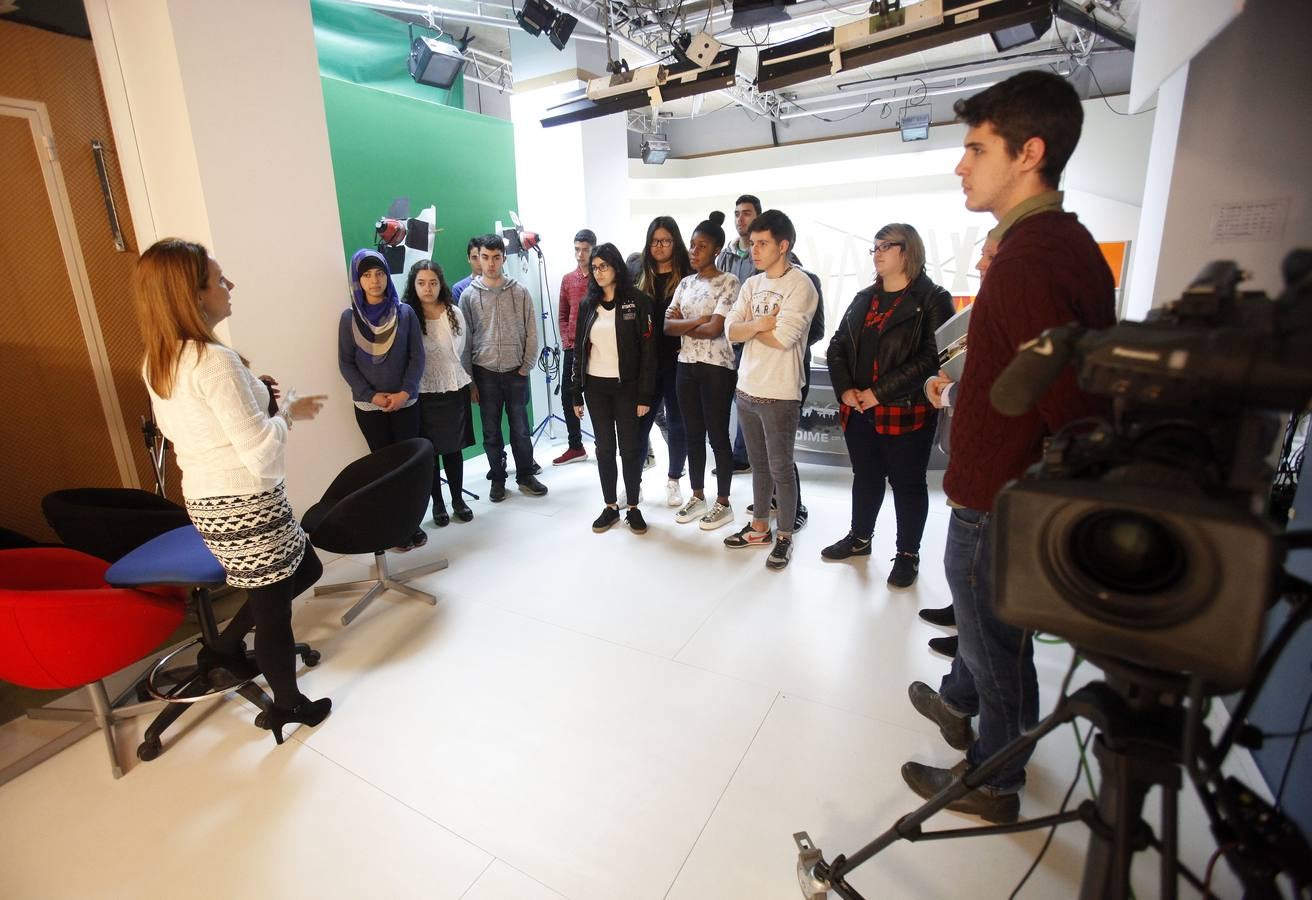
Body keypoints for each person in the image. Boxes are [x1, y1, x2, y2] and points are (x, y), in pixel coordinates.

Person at [900, 71, 1116, 824]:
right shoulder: (1041, 245)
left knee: (997, 652)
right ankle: (977, 723)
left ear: (1029, 153)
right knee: (992, 639)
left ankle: (993, 779)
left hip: (1002, 499)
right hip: (1000, 488)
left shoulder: (1034, 257)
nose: (961, 164)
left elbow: (1071, 404)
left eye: (975, 148)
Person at [136, 238, 330, 744]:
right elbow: (263, 454)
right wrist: (286, 409)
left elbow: (206, 429)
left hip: (208, 500)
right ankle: (288, 706)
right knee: (273, 611)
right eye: (220, 280)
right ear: (192, 295)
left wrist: (257, 397)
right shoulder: (214, 362)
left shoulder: (160, 359)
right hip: (247, 501)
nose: (230, 286)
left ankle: (224, 645)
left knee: (304, 567)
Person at [821, 223, 954, 588]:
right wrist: (845, 389)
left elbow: (933, 358)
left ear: (907, 250)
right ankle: (860, 538)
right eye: (874, 247)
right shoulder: (865, 297)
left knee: (908, 484)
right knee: (865, 476)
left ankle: (907, 554)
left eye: (885, 246)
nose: (877, 253)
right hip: (858, 408)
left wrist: (880, 392)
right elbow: (837, 346)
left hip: (904, 410)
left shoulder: (932, 298)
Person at [919, 233, 1000, 656]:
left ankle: (973, 641)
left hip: (992, 459)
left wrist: (947, 392)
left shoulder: (1010, 317)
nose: (981, 264)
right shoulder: (985, 312)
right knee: (966, 562)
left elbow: (995, 391)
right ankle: (964, 618)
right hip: (968, 447)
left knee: (974, 561)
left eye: (989, 255)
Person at [722, 210, 818, 570]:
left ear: (783, 245)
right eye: (752, 244)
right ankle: (759, 526)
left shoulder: (801, 285)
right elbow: (730, 331)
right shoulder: (751, 284)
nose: (754, 251)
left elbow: (784, 337)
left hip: (780, 392)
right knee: (759, 466)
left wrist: (752, 326)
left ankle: (785, 537)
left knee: (781, 468)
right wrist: (759, 323)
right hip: (746, 387)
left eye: (762, 244)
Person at [337, 249, 427, 550]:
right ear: (357, 280)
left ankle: (410, 525)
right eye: (366, 275)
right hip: (369, 406)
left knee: (407, 468)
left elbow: (417, 357)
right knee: (383, 469)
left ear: (387, 276)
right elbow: (346, 363)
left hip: (405, 402)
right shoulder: (349, 318)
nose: (374, 281)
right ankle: (391, 530)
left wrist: (404, 392)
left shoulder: (405, 313)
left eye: (379, 274)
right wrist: (371, 395)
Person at [569, 243, 656, 534]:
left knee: (630, 449)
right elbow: (578, 350)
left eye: (603, 266)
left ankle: (632, 507)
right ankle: (610, 506)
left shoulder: (637, 301)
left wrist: (645, 395)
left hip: (628, 388)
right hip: (595, 387)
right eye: (594, 268)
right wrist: (575, 392)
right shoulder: (587, 304)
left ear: (616, 267)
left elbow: (648, 352)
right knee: (604, 448)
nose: (598, 272)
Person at [664, 212, 740, 530]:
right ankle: (698, 495)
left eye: (702, 246)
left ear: (717, 250)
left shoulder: (730, 282)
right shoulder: (684, 283)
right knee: (692, 432)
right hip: (686, 365)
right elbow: (668, 326)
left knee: (718, 436)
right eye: (693, 245)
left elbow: (715, 331)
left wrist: (692, 323)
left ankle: (723, 502)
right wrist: (699, 320)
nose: (694, 251)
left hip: (716, 368)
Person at [462, 234, 548, 501]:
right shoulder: (468, 296)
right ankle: (497, 479)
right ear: (478, 258)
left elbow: (532, 332)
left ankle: (525, 475)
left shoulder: (519, 292)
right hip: (484, 372)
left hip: (516, 372)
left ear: (503, 258)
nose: (489, 263)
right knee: (491, 431)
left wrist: (526, 366)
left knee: (520, 428)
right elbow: (465, 340)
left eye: (495, 258)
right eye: (484, 257)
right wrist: (471, 382)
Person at [403, 259, 475, 527]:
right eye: (421, 283)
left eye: (433, 282)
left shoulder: (454, 312)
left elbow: (461, 349)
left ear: (440, 284)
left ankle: (458, 499)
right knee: (430, 452)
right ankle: (438, 503)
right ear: (414, 285)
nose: (427, 288)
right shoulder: (407, 314)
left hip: (453, 387)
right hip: (423, 392)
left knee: (454, 450)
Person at [634, 216, 693, 509]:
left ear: (675, 243)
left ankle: (674, 481)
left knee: (678, 424)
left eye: (666, 241)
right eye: (655, 241)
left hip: (678, 361)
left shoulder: (688, 275)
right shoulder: (639, 273)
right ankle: (634, 484)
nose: (659, 246)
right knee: (639, 424)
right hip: (646, 364)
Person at [553, 228, 596, 466]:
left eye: (585, 250)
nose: (580, 255)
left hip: (598, 347)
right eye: (577, 249)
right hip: (572, 347)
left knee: (597, 395)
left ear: (593, 249)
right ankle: (575, 446)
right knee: (569, 395)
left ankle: (604, 444)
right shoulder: (568, 280)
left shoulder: (600, 277)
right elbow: (562, 314)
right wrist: (567, 340)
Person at [451, 236, 482, 305]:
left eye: (483, 257)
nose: (479, 262)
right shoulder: (459, 289)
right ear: (468, 258)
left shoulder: (497, 285)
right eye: (474, 258)